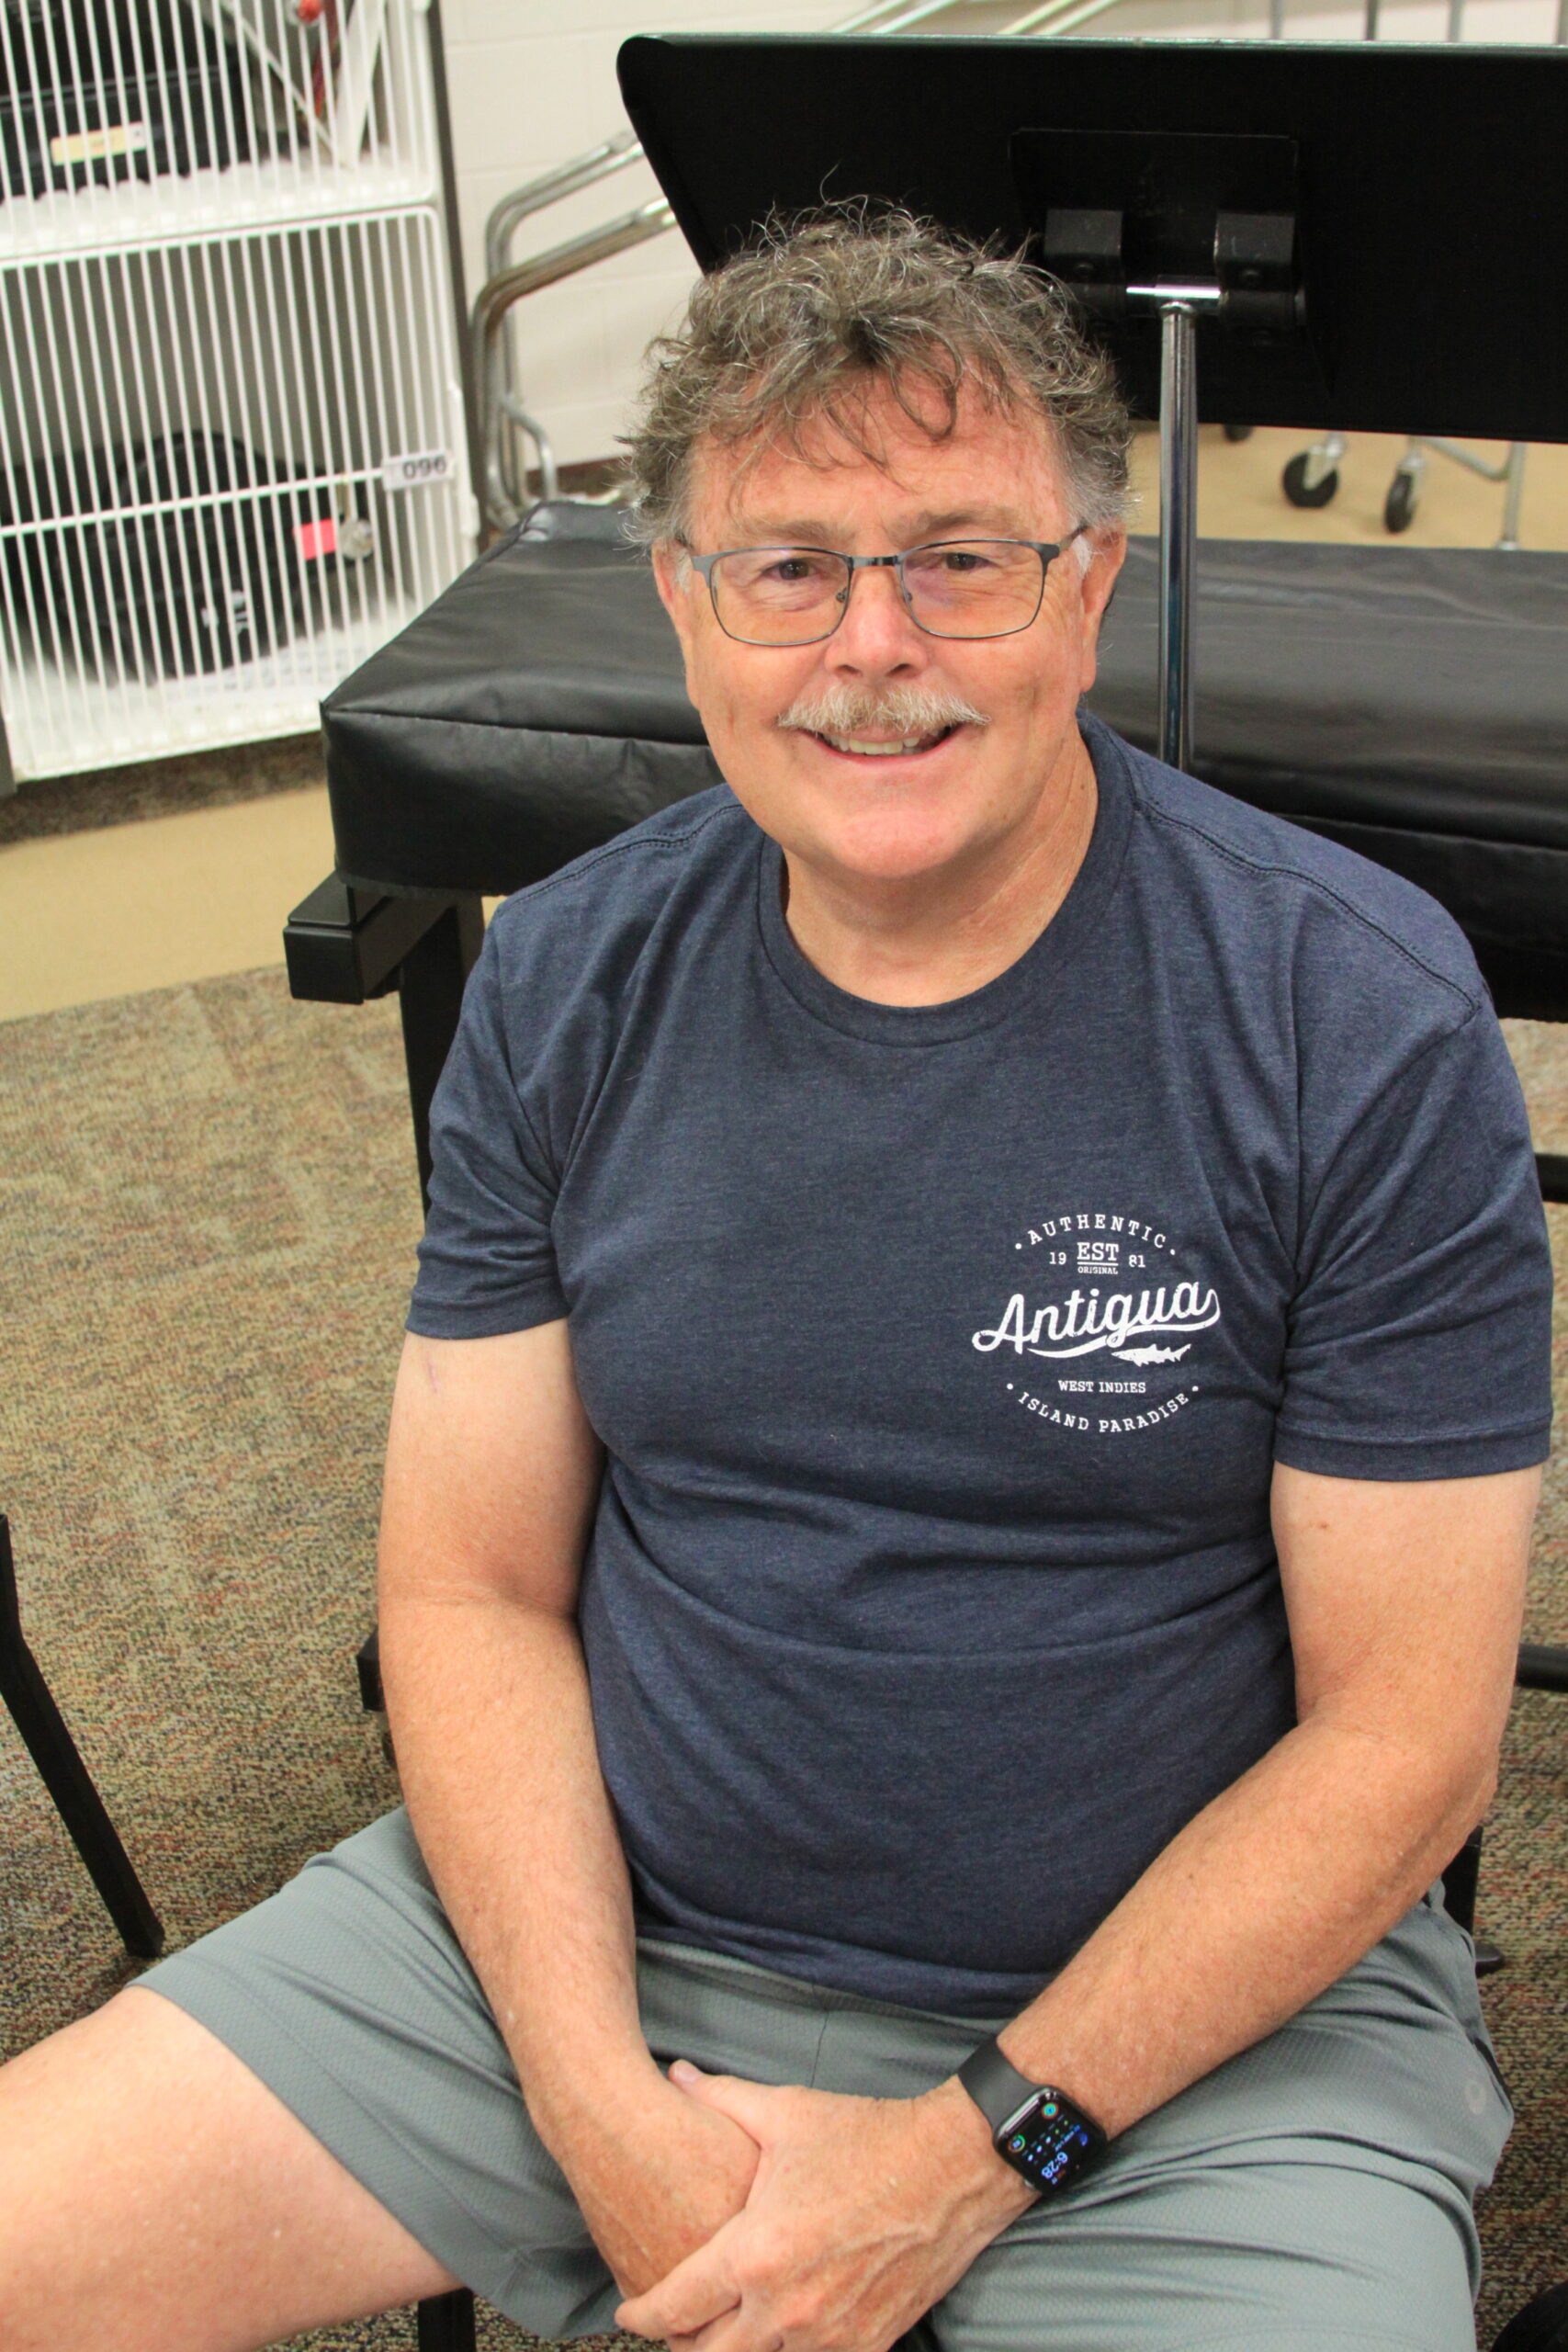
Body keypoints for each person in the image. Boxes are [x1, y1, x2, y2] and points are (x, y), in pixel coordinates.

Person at [0, 209, 1552, 2352]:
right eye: (789, 568)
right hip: (584, 1944)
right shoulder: (567, 974)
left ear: (1086, 586)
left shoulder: (1349, 1018)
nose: (868, 644)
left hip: (1183, 2041)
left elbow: (1402, 1741)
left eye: (957, 560)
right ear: (683, 603)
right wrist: (588, 2095)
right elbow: (468, 1588)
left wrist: (960, 2155)